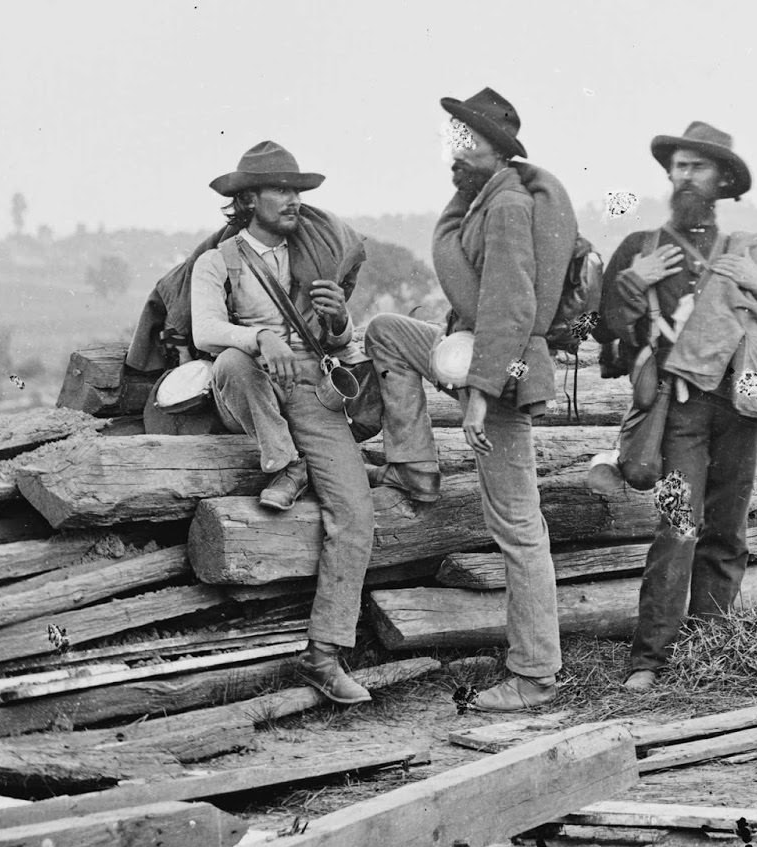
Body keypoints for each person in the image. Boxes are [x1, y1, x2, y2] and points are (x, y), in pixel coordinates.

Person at [597, 123, 757, 688]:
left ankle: (714, 653)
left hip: (740, 408)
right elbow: (602, 331)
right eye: (678, 166)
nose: (685, 176)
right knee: (678, 526)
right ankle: (649, 660)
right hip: (677, 411)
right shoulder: (640, 249)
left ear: (722, 180)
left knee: (727, 531)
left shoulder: (753, 249)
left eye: (698, 167)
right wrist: (631, 284)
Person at [364, 89, 574, 712]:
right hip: (475, 350)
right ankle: (415, 464)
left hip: (504, 367)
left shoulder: (507, 205)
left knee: (517, 525)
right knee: (387, 333)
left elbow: (512, 307)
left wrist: (478, 399)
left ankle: (535, 675)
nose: (452, 153)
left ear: (500, 148)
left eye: (466, 142)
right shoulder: (481, 198)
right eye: (450, 139)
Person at [190, 140, 376, 706]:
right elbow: (205, 332)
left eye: (297, 190)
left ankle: (323, 654)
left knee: (355, 509)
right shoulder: (218, 261)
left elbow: (338, 343)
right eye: (280, 190)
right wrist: (257, 335)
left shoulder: (313, 257)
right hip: (251, 387)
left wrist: (339, 322)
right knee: (232, 359)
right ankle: (286, 463)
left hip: (311, 389)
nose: (293, 199)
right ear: (248, 199)